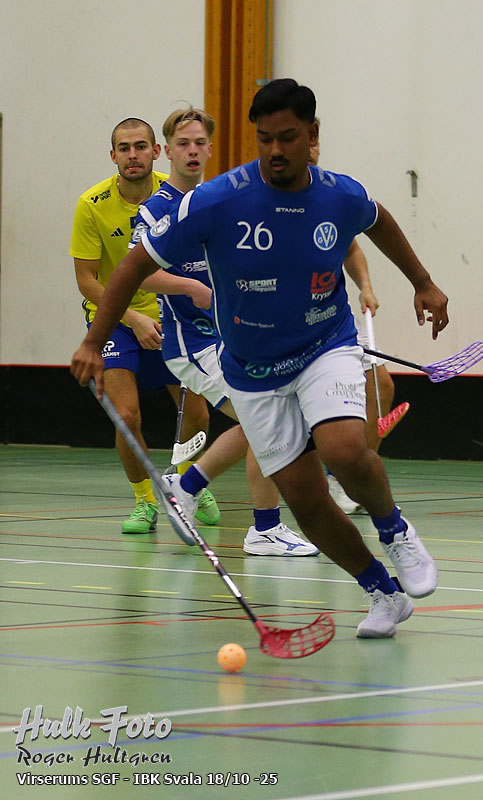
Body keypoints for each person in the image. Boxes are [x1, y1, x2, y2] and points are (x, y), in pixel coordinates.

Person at [71, 79, 448, 639]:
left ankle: (395, 530)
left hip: (324, 344)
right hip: (250, 366)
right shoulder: (217, 201)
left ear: (312, 135)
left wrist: (423, 282)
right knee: (304, 496)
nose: (275, 150)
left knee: (345, 448)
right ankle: (382, 592)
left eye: (288, 137)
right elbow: (131, 267)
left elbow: (379, 221)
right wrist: (92, 342)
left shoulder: (338, 194)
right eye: (265, 138)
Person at [132, 105, 316, 557]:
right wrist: (190, 286)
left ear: (210, 149)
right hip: (191, 344)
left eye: (199, 143)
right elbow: (137, 272)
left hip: (234, 339)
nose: (192, 151)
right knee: (265, 418)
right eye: (183, 144)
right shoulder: (157, 209)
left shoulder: (219, 202)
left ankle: (190, 487)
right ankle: (260, 525)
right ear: (167, 151)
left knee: (270, 417)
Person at [71, 118, 216, 535]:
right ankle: (145, 501)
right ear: (113, 156)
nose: (132, 155)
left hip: (171, 316)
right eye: (123, 148)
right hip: (116, 320)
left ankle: (187, 484)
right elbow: (87, 280)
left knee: (197, 412)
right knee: (126, 415)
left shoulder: (178, 195)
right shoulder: (91, 204)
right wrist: (132, 319)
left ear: (156, 152)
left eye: (140, 147)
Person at [307, 130, 400, 514]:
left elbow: (352, 248)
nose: (307, 149)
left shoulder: (333, 197)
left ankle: (346, 477)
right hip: (293, 324)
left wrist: (366, 287)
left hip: (335, 317)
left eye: (313, 140)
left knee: (381, 386)